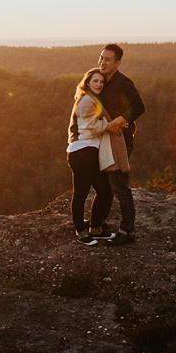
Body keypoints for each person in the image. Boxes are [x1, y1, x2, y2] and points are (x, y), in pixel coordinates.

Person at [86, 44, 145, 245]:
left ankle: (128, 232)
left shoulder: (123, 83)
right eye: (101, 58)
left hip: (120, 142)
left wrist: (120, 119)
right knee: (105, 185)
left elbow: (139, 106)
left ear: (118, 63)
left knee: (120, 187)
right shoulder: (101, 81)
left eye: (107, 59)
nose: (102, 62)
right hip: (103, 141)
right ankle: (100, 222)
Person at [66, 68, 113, 240]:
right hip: (81, 151)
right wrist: (110, 124)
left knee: (104, 190)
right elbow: (92, 127)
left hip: (89, 151)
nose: (99, 84)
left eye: (101, 82)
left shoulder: (92, 100)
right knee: (81, 192)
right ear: (87, 83)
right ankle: (81, 230)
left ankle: (95, 227)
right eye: (95, 81)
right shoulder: (86, 100)